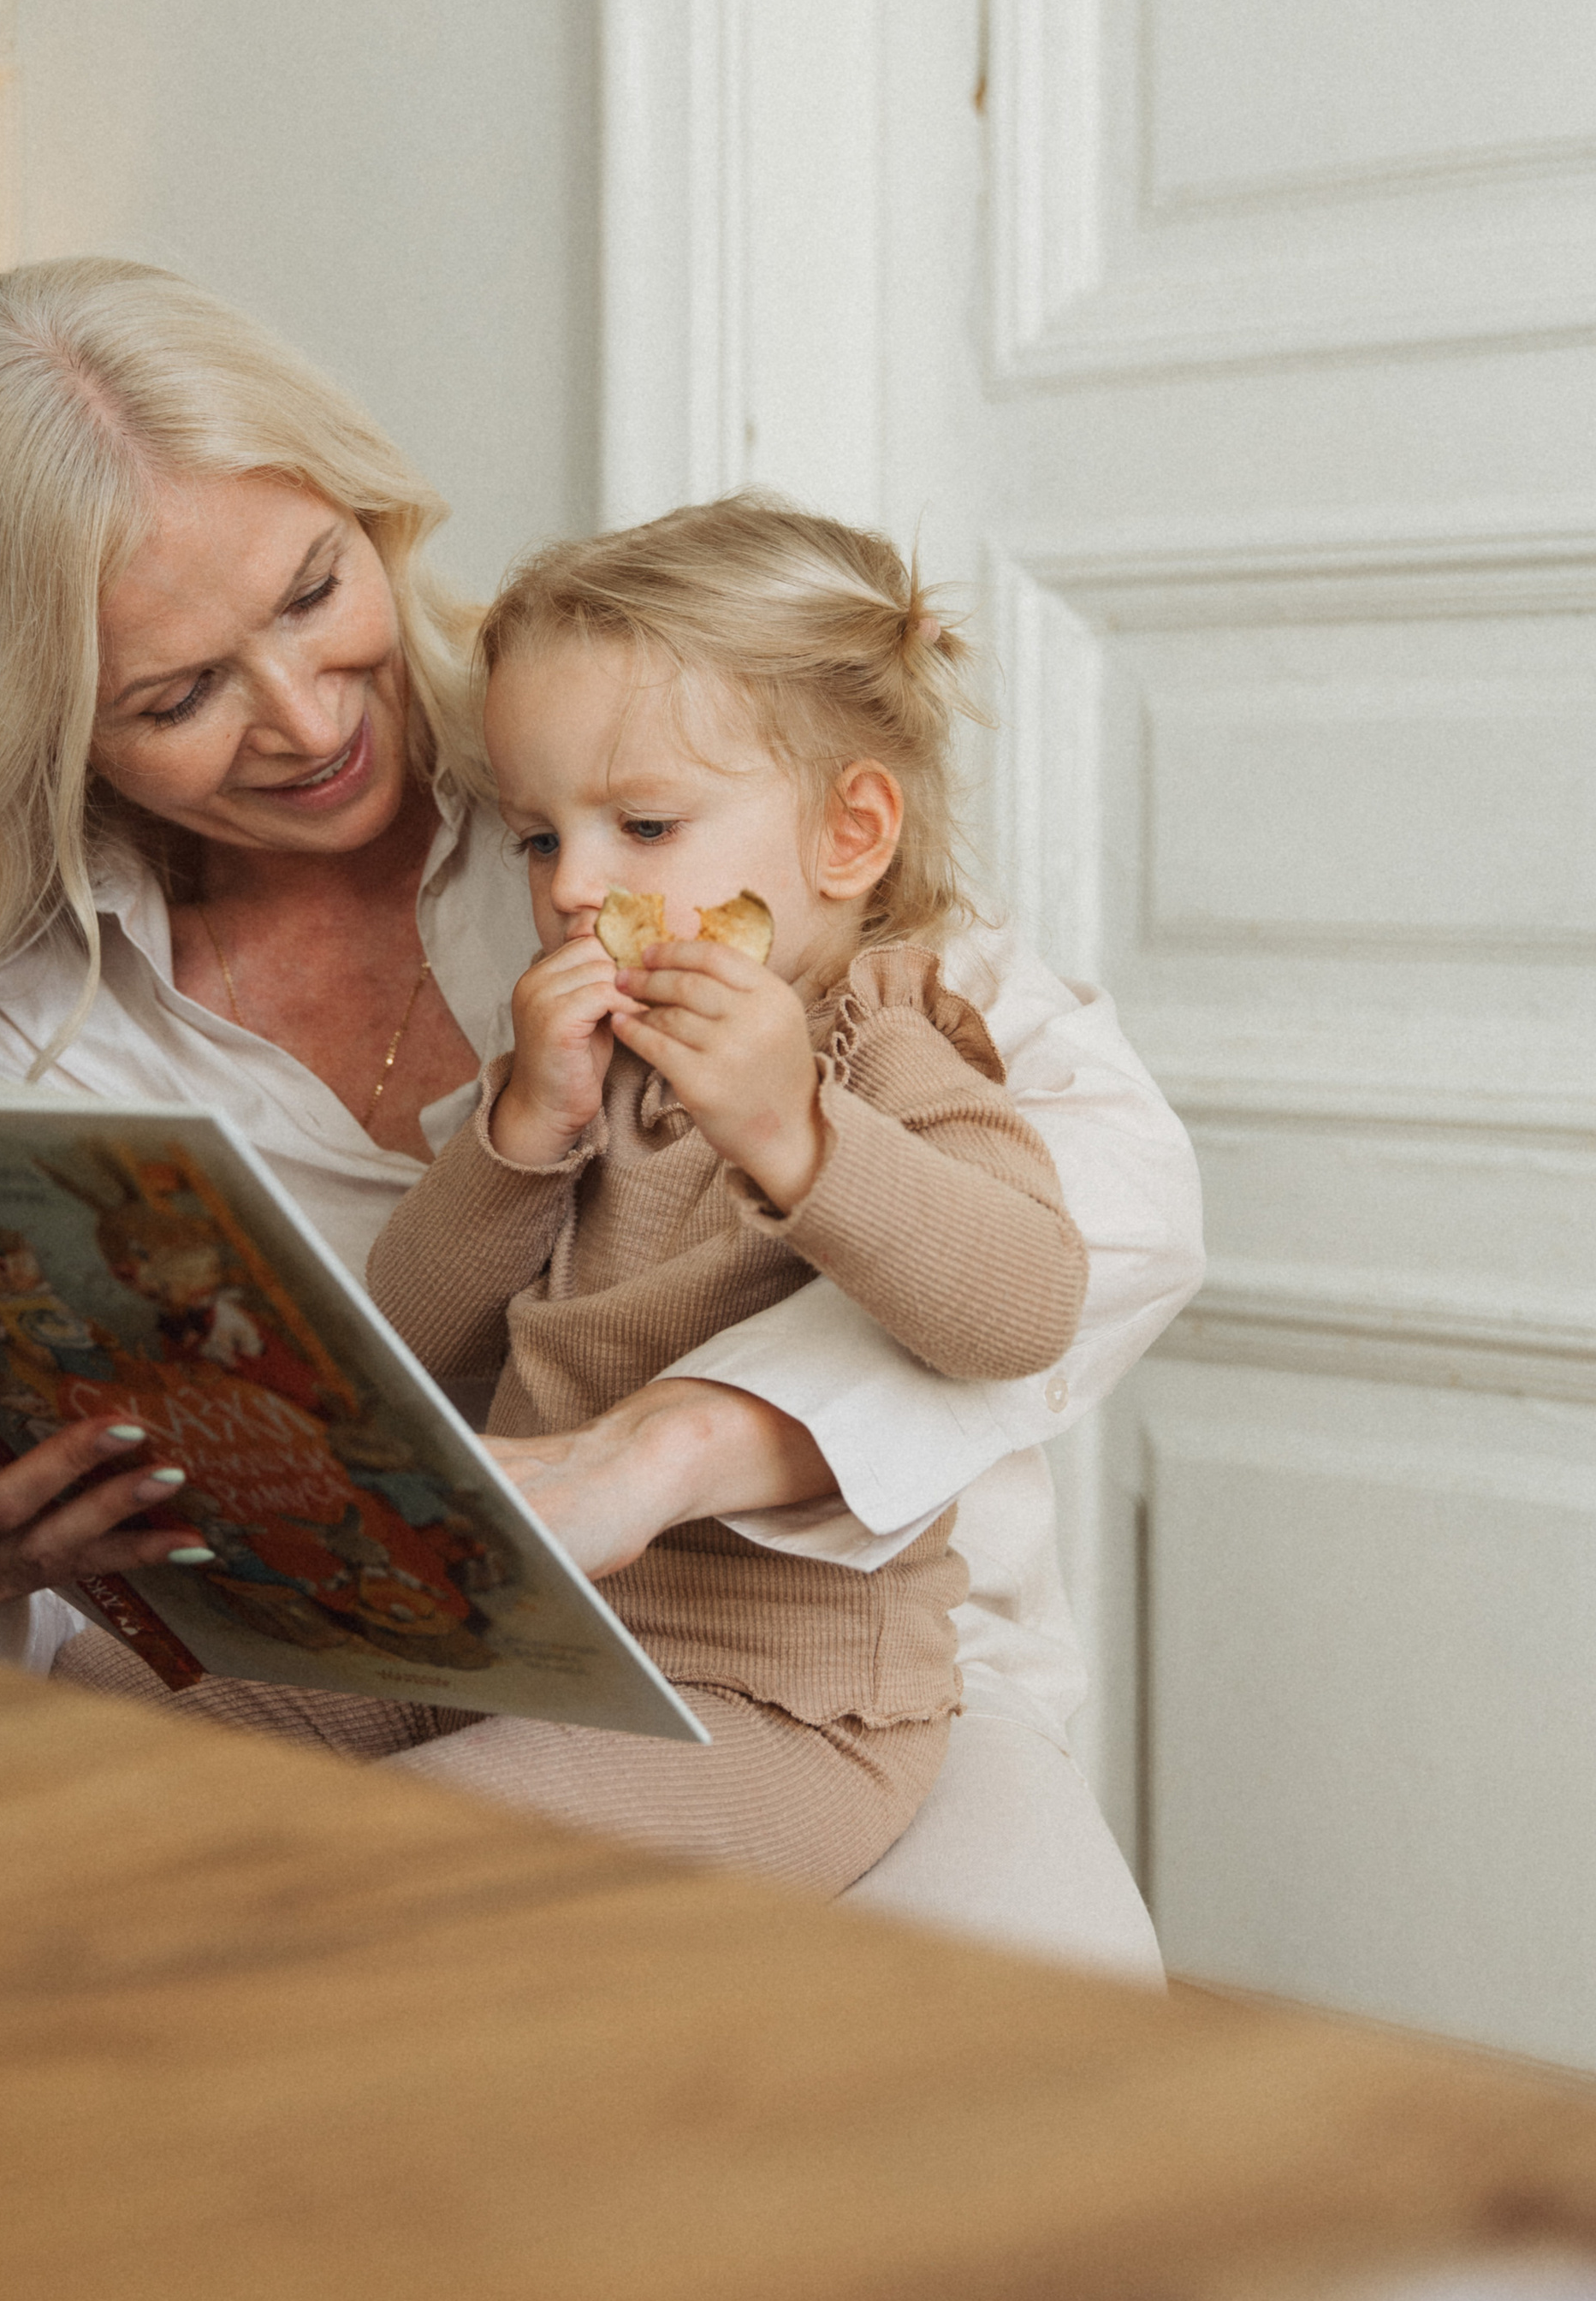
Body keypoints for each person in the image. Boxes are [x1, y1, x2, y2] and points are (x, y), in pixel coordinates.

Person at [0, 261, 1201, 1942]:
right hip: (414, 1633)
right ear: (43, 728)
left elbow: (1102, 1223)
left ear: (369, 519)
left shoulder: (631, 757)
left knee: (357, 1891)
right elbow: (365, 1358)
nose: (302, 721)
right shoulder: (29, 1031)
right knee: (77, 1834)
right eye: (175, 694)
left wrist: (687, 1432)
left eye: (310, 591)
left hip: (796, 1671)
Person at [354, 501, 1087, 1889]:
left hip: (774, 1705)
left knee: (404, 1854)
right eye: (536, 837)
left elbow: (1026, 1304)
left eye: (642, 825)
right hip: (511, 1638)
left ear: (850, 833)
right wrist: (521, 1132)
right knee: (101, 1692)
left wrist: (795, 1131)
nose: (576, 888)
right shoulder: (575, 1074)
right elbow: (401, 1344)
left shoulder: (882, 1050)